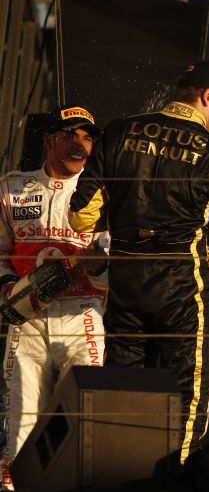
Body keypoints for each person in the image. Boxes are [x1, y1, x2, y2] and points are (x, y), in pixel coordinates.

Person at [68, 60, 209, 464]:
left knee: (122, 390)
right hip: (180, 294)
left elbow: (80, 216)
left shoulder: (119, 131)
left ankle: (115, 475)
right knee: (186, 399)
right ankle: (173, 477)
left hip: (125, 288)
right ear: (208, 96)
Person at [0, 104, 108, 489]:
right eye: (70, 135)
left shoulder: (105, 195)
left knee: (85, 414)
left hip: (82, 315)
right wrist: (10, 290)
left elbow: (115, 274)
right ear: (48, 140)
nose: (80, 144)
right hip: (27, 318)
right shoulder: (11, 187)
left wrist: (94, 264)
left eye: (87, 136)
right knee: (21, 417)